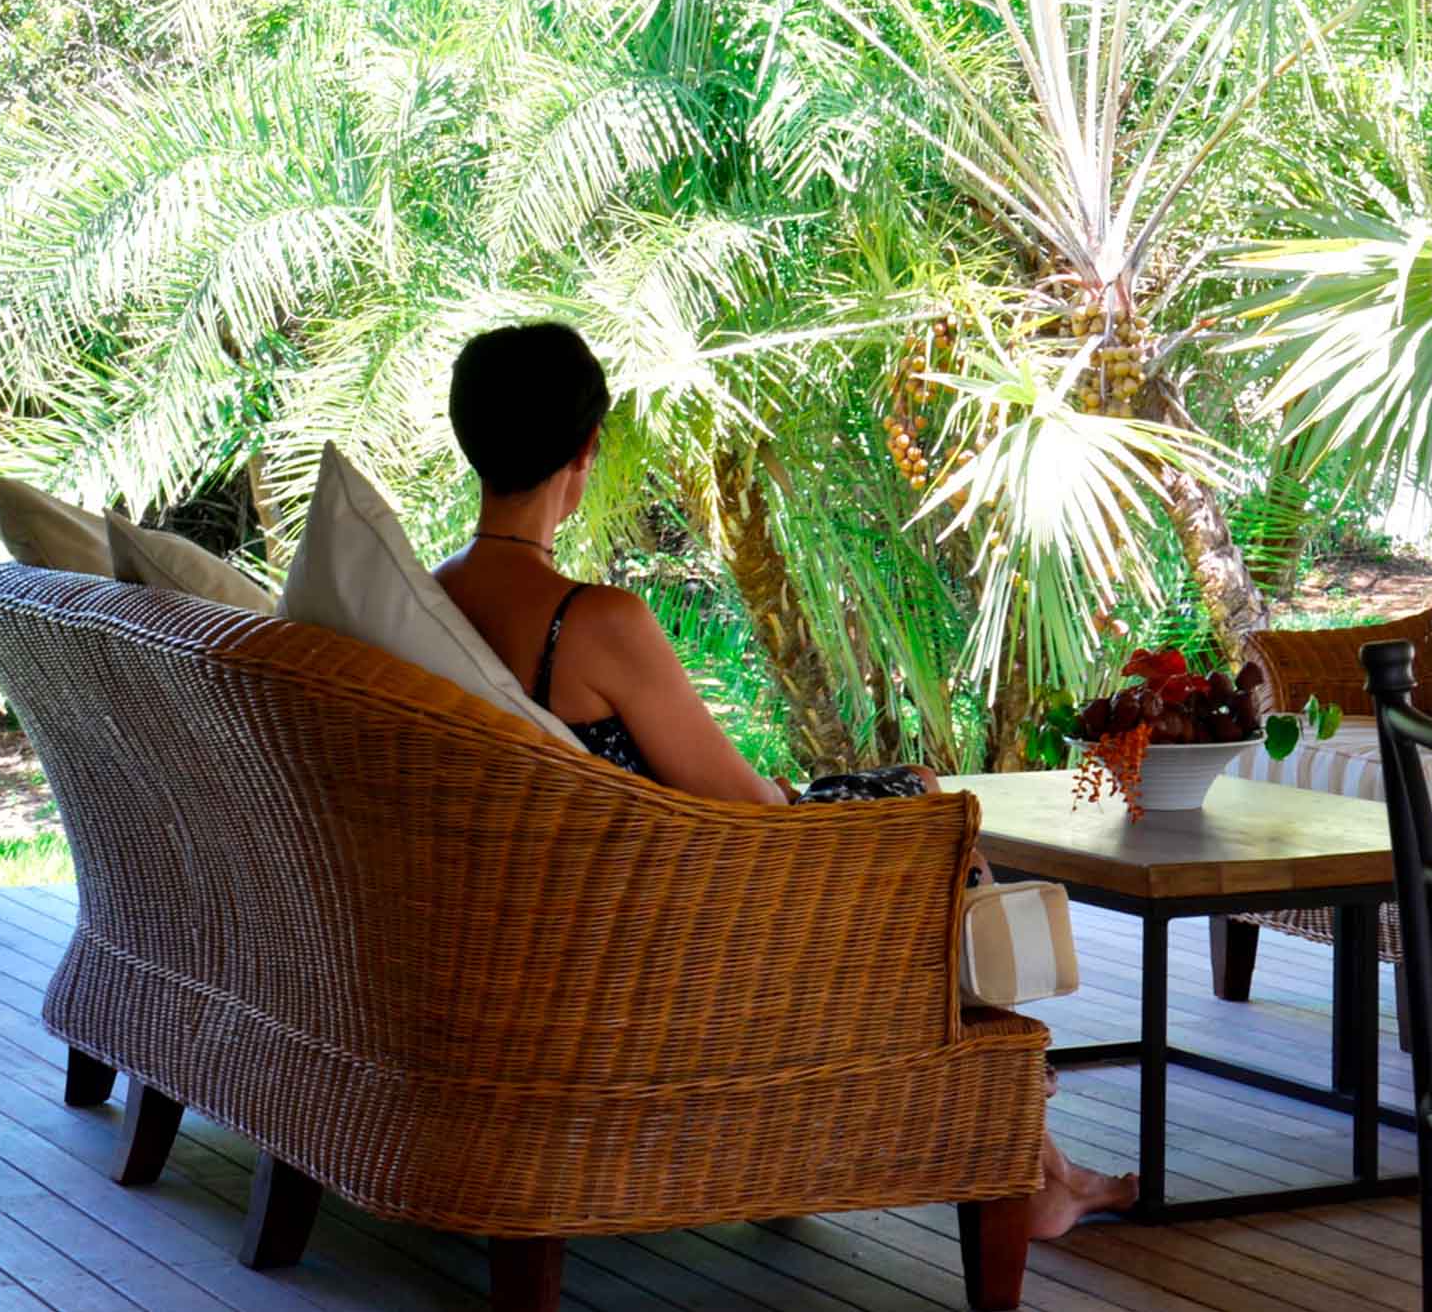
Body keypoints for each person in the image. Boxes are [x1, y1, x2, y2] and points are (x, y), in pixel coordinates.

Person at [432, 321, 1134, 1235]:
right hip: (679, 930)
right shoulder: (592, 621)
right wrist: (802, 799)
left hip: (546, 917)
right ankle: (1035, 1166)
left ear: (471, 438)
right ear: (586, 448)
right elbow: (746, 806)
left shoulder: (434, 603)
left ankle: (1040, 1163)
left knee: (906, 796)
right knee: (929, 813)